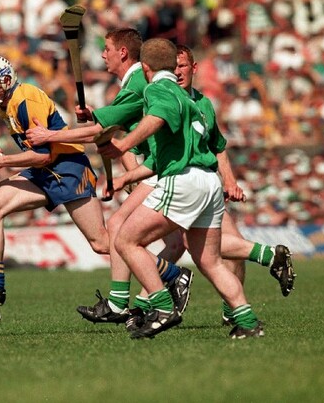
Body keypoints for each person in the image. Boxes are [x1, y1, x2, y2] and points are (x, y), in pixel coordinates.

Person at [25, 28, 194, 324]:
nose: (103, 55)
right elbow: (110, 126)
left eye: (107, 49)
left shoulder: (138, 81)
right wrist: (97, 118)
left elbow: (99, 133)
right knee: (138, 234)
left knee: (123, 232)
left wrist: (49, 135)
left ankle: (151, 290)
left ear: (123, 53)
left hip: (168, 167)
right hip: (160, 166)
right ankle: (144, 294)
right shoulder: (133, 83)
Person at [99, 37, 262, 339]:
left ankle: (162, 306)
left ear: (145, 67)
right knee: (210, 261)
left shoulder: (158, 88)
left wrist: (122, 144)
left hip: (184, 179)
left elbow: (156, 119)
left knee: (126, 240)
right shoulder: (196, 100)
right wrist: (125, 177)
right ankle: (247, 320)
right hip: (209, 181)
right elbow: (211, 146)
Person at [0, 55, 109, 318]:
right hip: (44, 173)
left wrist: (3, 161)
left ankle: (169, 274)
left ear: (6, 79)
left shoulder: (26, 100)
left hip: (69, 169)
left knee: (101, 243)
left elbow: (44, 155)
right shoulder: (5, 105)